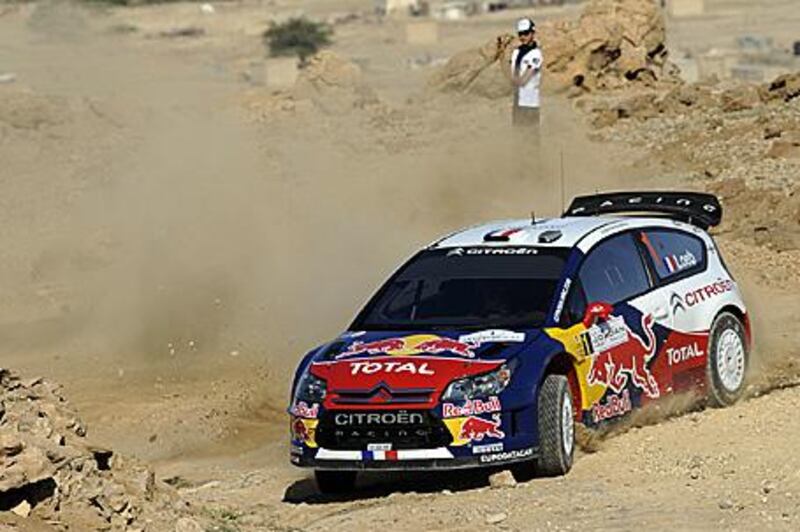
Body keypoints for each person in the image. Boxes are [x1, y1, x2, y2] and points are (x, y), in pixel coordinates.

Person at [510, 18, 543, 128]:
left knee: (531, 136)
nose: (523, 37)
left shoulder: (536, 54)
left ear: (532, 33)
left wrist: (514, 80)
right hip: (517, 100)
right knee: (517, 133)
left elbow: (524, 80)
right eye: (520, 34)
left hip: (530, 103)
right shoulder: (516, 52)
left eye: (526, 33)